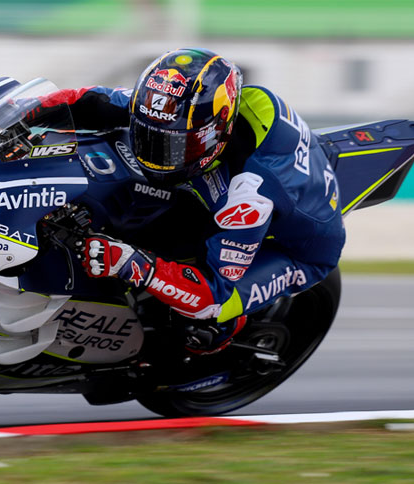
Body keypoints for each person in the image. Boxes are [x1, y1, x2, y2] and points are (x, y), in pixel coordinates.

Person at [26, 48, 346, 354]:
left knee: (203, 316)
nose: (157, 156)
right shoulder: (180, 110)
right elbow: (90, 100)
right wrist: (23, 111)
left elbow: (213, 293)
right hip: (225, 181)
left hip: (295, 252)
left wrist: (132, 263)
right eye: (149, 138)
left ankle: (226, 332)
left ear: (216, 133)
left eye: (175, 147)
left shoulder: (250, 194)